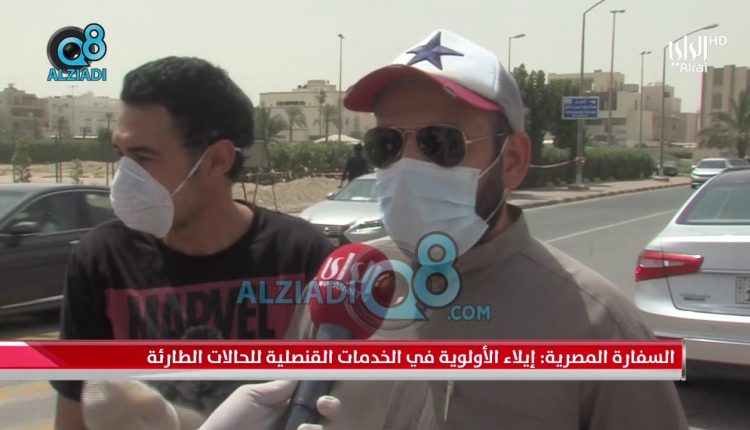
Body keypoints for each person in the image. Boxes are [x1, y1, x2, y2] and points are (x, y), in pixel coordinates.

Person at [196, 29, 690, 429]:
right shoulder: (342, 288)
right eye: (387, 144)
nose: (408, 166)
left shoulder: (601, 330)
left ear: (512, 160)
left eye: (440, 143)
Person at [50, 56, 335, 429]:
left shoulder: (303, 256)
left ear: (217, 159)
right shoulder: (101, 260)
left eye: (143, 157)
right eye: (121, 155)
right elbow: (72, 417)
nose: (124, 176)